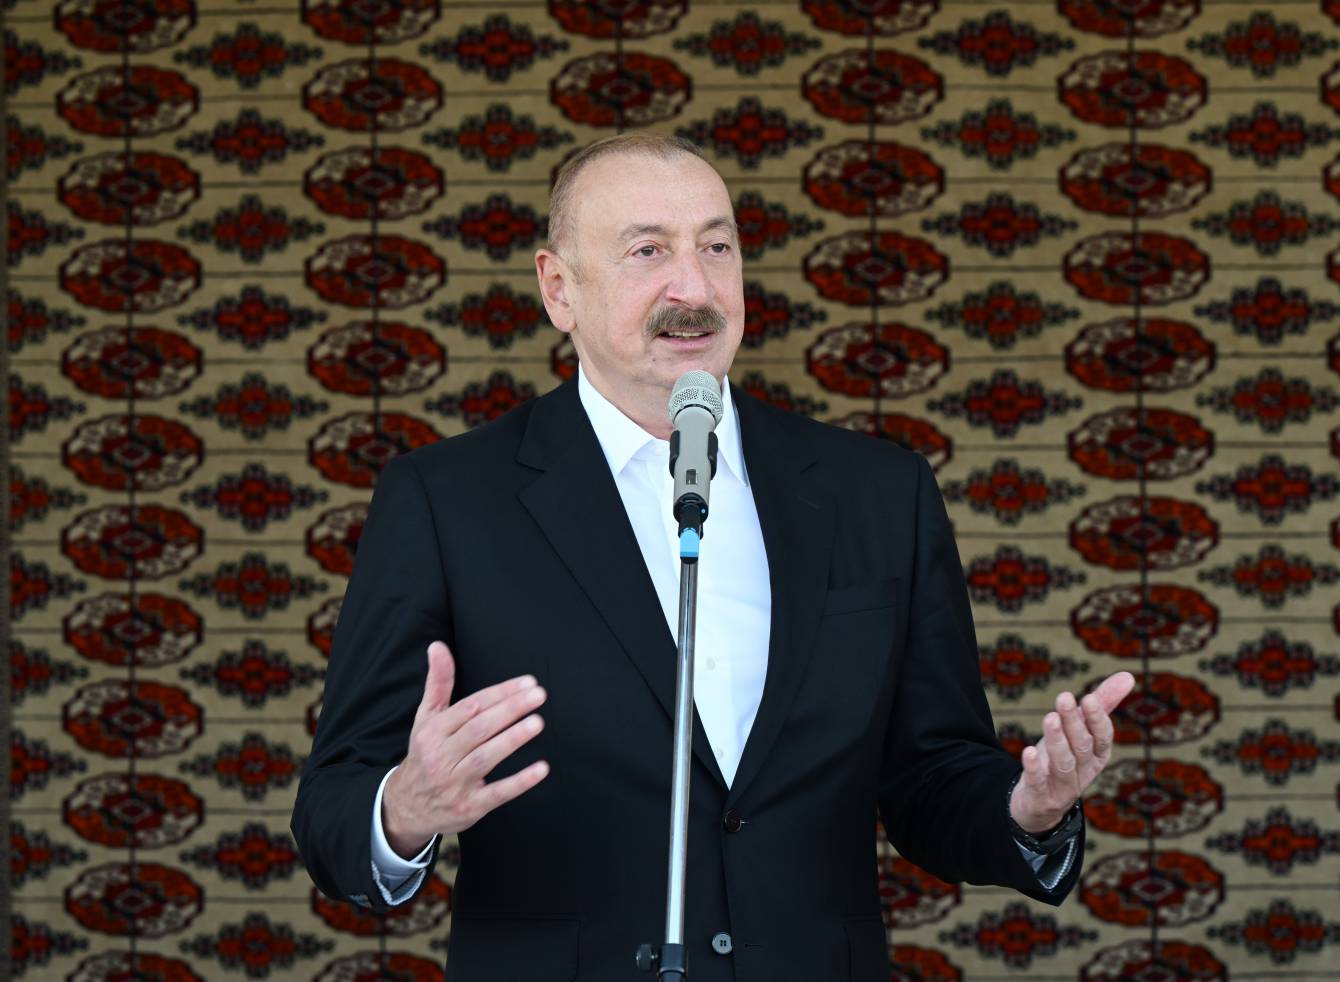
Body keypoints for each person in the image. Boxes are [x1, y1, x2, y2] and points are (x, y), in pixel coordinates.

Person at [292, 134, 1135, 981]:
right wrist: (403, 809)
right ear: (558, 289)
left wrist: (1027, 810)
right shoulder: (446, 501)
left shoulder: (878, 492)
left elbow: (932, 775)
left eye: (717, 247)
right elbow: (333, 808)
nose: (693, 289)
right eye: (648, 251)